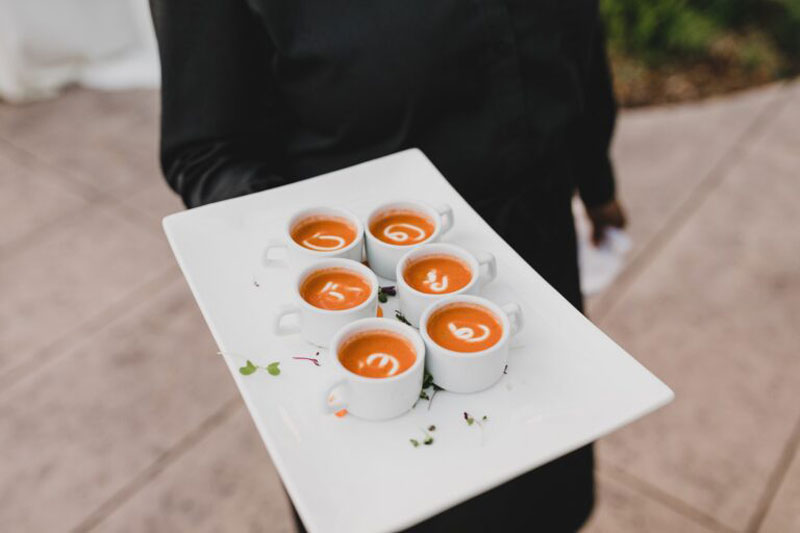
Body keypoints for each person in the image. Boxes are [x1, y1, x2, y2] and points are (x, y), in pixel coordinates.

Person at [150, 1, 626, 531]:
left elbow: (575, 41)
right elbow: (206, 151)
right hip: (371, 323)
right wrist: (327, 261)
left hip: (538, 260)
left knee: (547, 504)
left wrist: (596, 179)